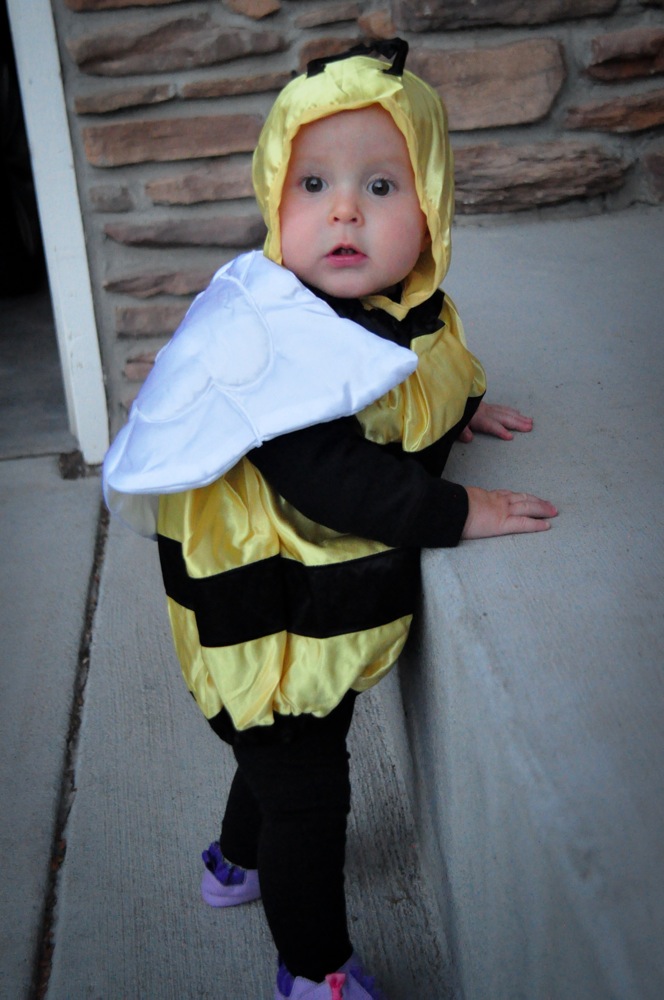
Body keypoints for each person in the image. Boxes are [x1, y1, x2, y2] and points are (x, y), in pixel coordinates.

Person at [103, 39, 557, 1000]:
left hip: (301, 625)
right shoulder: (271, 344)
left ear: (432, 211)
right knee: (309, 796)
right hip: (265, 619)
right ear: (275, 201)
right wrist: (459, 509)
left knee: (275, 752)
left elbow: (416, 366)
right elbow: (341, 482)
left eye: (381, 186)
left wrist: (462, 408)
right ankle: (314, 970)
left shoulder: (395, 308)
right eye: (313, 184)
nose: (344, 210)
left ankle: (234, 863)